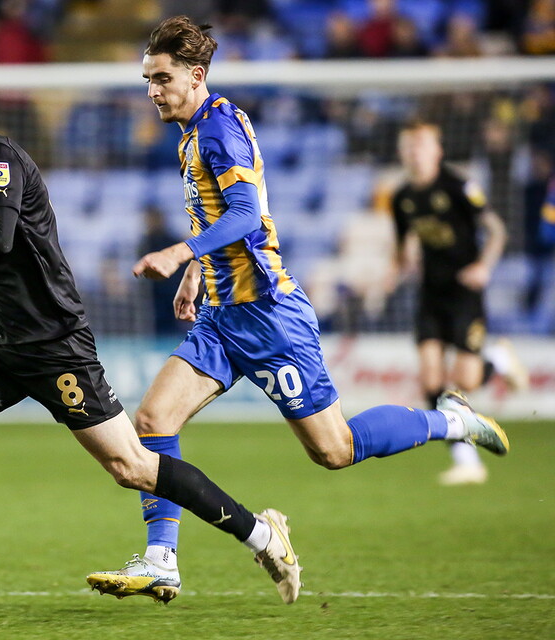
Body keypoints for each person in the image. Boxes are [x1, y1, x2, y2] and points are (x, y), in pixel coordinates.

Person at [85, 15, 509, 605]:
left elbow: (245, 215)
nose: (152, 90)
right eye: (147, 78)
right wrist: (195, 274)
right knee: (154, 421)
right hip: (222, 316)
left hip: (269, 315)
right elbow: (219, 219)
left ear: (196, 75)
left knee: (333, 451)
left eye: (161, 77)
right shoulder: (194, 132)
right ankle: (161, 561)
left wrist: (181, 250)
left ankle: (450, 420)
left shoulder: (219, 130)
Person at [0, 73, 303, 607]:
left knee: (131, 468)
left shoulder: (1, 162)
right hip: (1, 345)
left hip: (55, 346)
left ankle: (261, 535)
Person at [391, 121, 527, 485]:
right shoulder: (401, 196)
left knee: (463, 380)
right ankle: (468, 461)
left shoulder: (459, 186)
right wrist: (398, 268)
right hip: (430, 294)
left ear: (437, 150)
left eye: (421, 144)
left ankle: (497, 360)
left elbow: (496, 229)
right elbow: (404, 247)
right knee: (431, 380)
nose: (414, 151)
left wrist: (483, 266)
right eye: (409, 145)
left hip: (464, 292)